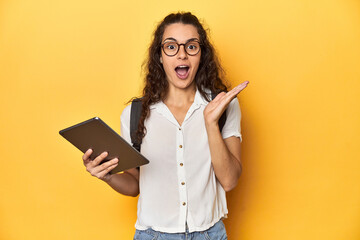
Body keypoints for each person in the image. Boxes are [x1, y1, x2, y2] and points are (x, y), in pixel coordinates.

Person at [82, 12, 248, 239]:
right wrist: (108, 175)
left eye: (191, 46)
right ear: (160, 56)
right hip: (153, 235)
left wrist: (210, 123)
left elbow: (229, 181)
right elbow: (134, 184)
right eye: (171, 47)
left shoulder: (223, 105)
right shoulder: (135, 114)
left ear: (201, 54)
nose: (181, 55)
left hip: (209, 234)